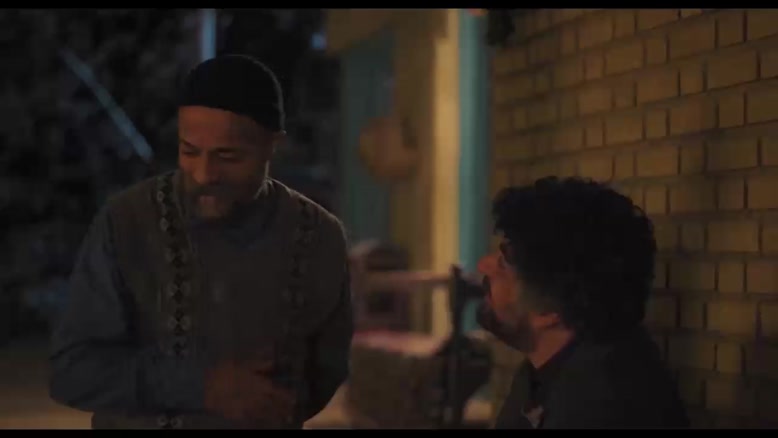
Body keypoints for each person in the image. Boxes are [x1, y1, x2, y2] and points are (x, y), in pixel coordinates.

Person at [49, 54, 353, 429]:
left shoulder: (318, 236)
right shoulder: (126, 222)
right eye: (189, 151)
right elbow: (72, 371)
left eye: (228, 156)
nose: (204, 174)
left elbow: (327, 368)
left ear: (273, 145)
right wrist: (203, 387)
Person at [477, 176, 688, 429]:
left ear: (549, 311)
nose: (483, 265)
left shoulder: (603, 402)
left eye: (505, 263)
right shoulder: (548, 374)